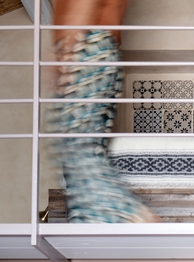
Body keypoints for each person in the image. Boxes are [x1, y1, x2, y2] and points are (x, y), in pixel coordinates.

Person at [51, 0, 158, 222]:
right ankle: (89, 221)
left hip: (85, 48)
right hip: (99, 48)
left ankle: (127, 212)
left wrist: (69, 50)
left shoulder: (81, 44)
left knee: (77, 148)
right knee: (84, 150)